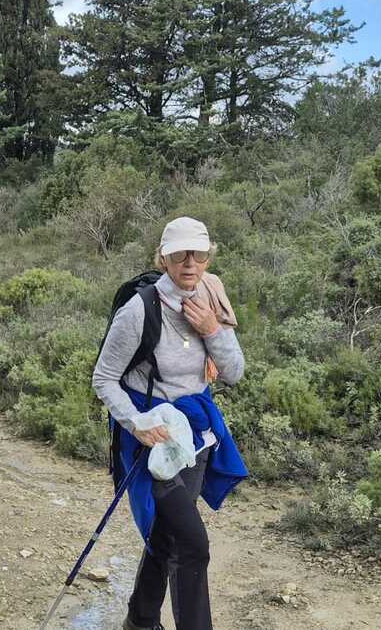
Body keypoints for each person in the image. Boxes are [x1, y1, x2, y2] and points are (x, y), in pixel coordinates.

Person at [92, 216, 249, 630]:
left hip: (194, 437)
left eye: (199, 254)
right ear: (163, 258)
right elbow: (103, 378)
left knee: (167, 535)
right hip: (153, 441)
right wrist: (136, 422)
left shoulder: (211, 296)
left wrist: (212, 330)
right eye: (180, 254)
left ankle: (140, 621)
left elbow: (233, 372)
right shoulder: (139, 311)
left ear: (208, 256)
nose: (190, 263)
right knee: (193, 545)